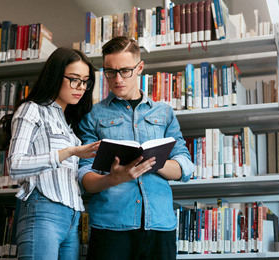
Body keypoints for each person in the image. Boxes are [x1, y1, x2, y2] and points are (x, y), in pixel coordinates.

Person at [78, 36, 195, 260]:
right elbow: (84, 177)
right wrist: (113, 179)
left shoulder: (164, 113)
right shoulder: (93, 116)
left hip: (160, 225)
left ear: (140, 67)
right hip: (111, 228)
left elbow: (185, 167)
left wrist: (153, 161)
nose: (117, 79)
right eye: (110, 72)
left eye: (125, 71)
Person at [1, 47, 100, 260]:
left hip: (72, 218)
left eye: (85, 81)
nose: (80, 87)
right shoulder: (31, 110)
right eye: (74, 79)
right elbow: (15, 165)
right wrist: (70, 152)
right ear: (56, 76)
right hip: (42, 211)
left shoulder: (69, 123)